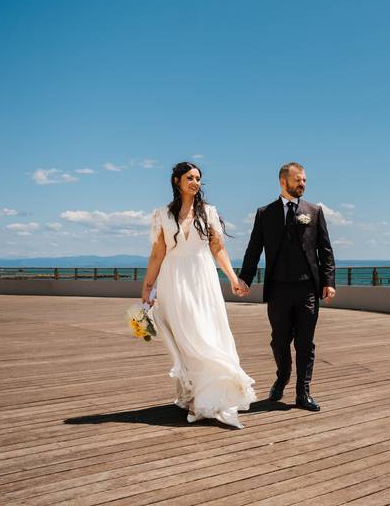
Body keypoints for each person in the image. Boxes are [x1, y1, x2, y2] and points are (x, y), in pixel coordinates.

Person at [142, 161, 256, 428]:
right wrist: (148, 285)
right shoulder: (162, 215)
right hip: (174, 280)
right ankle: (195, 396)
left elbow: (218, 249)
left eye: (198, 178)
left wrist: (232, 278)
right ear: (177, 181)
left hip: (202, 278)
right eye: (190, 178)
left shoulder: (209, 212)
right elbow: (158, 253)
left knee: (205, 334)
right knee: (185, 338)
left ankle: (214, 395)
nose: (195, 182)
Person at [237, 162, 336, 412]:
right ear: (284, 181)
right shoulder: (265, 213)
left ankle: (303, 392)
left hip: (307, 290)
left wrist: (328, 282)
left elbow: (325, 250)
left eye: (304, 180)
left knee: (305, 343)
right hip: (278, 290)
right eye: (298, 180)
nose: (302, 184)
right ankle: (283, 376)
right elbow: (253, 250)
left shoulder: (314, 211)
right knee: (279, 341)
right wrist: (244, 279)